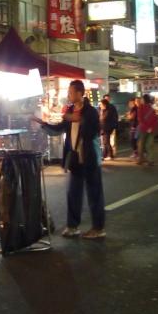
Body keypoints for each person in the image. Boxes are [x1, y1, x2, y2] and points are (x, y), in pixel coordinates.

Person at [38, 80, 105, 239]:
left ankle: (98, 228)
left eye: (71, 92)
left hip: (90, 157)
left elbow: (93, 131)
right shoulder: (69, 110)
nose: (69, 95)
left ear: (80, 93)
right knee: (73, 193)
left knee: (94, 194)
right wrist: (44, 124)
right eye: (69, 92)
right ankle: (72, 226)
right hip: (75, 158)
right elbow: (59, 129)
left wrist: (78, 119)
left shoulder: (90, 111)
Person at [135, 94, 158, 165]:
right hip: (151, 130)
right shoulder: (152, 108)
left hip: (143, 129)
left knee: (141, 145)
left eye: (142, 99)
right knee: (149, 145)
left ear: (144, 100)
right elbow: (155, 119)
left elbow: (140, 119)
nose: (141, 100)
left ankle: (141, 159)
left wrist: (147, 127)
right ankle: (150, 160)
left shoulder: (141, 107)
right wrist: (151, 128)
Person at [99, 96, 119, 160]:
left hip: (107, 128)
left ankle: (110, 155)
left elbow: (104, 118)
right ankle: (104, 155)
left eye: (101, 104)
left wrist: (101, 115)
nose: (100, 105)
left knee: (107, 142)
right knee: (105, 142)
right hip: (104, 128)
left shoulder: (108, 110)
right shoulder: (102, 110)